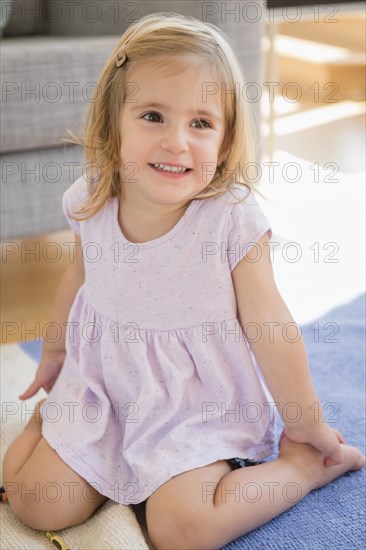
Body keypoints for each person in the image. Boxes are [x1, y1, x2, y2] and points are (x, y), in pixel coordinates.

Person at [3, 13, 364, 550]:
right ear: (113, 122)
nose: (176, 141)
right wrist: (56, 354)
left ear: (226, 138)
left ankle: (304, 472)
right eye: (153, 115)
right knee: (35, 499)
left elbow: (270, 327)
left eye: (201, 123)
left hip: (196, 408)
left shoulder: (230, 220)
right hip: (106, 386)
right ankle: (60, 428)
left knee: (182, 529)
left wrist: (306, 423)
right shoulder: (94, 196)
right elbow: (80, 274)